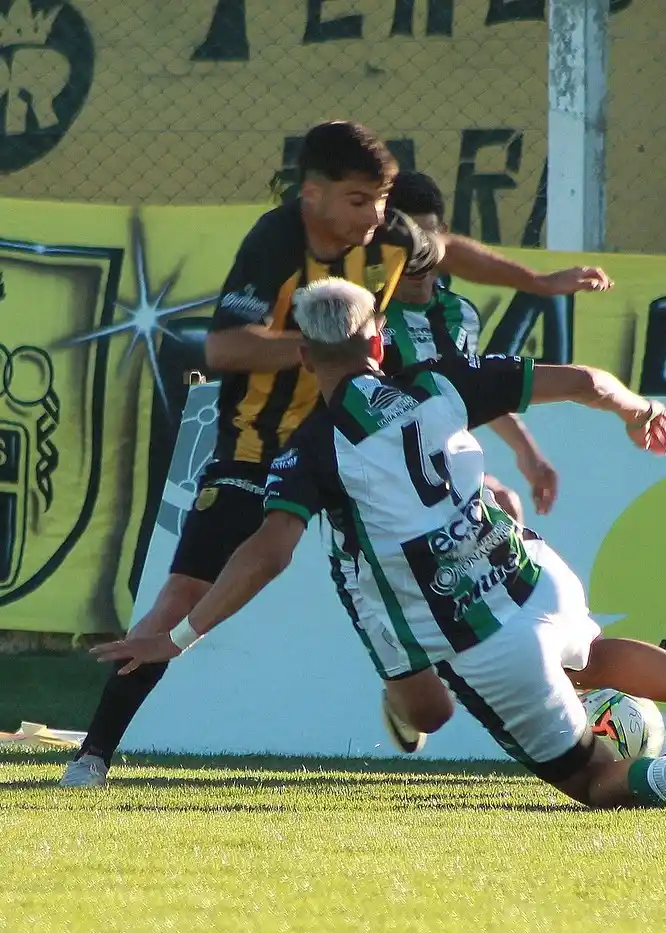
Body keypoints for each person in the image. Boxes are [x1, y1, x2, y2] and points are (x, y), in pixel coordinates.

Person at [90, 279, 666, 810]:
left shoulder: (310, 448)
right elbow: (582, 381)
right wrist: (636, 410)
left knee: (592, 781)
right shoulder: (436, 384)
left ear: (304, 355)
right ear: (377, 345)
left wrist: (182, 634)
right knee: (595, 653)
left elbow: (268, 550)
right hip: (533, 573)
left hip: (476, 635)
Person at [61, 120, 613, 788]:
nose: (377, 218)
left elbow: (446, 251)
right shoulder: (275, 243)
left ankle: (493, 679)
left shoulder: (383, 234)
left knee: (488, 505)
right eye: (360, 202)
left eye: (380, 204)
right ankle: (93, 752)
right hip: (262, 445)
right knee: (182, 589)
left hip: (367, 435)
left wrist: (542, 282)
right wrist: (325, 347)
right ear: (312, 197)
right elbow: (226, 349)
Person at [382, 170, 557, 526]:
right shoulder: (366, 313)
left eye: (426, 238)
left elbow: (471, 387)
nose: (418, 255)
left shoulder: (458, 314)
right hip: (379, 474)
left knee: (505, 506)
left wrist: (528, 453)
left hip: (438, 470)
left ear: (443, 236)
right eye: (405, 241)